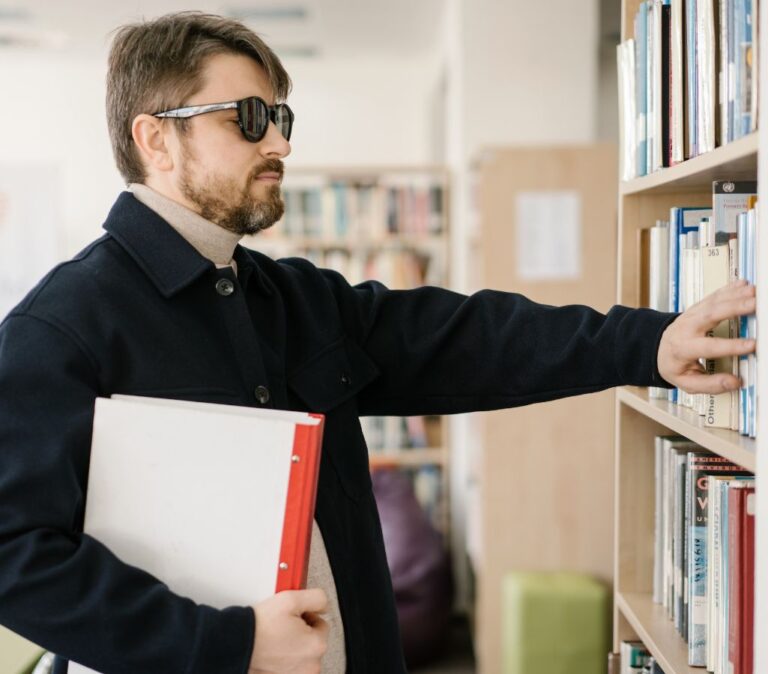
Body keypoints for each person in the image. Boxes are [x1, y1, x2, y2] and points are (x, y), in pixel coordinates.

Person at [0, 11, 755, 674]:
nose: (280, 145)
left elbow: (467, 338)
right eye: (250, 118)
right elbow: (12, 557)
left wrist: (647, 343)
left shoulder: (291, 298)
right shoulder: (61, 329)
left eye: (283, 119)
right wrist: (225, 644)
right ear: (155, 139)